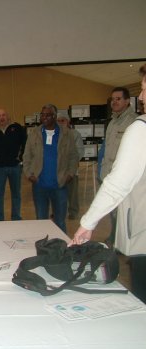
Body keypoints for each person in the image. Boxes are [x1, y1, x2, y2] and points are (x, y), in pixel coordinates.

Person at [72, 65, 146, 303]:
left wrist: (88, 222)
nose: (142, 97)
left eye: (145, 90)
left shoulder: (140, 129)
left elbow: (119, 181)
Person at [22, 104, 78, 233]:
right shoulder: (34, 133)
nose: (44, 117)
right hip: (39, 185)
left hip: (59, 185)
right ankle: (44, 247)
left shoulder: (66, 134)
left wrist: (69, 174)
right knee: (41, 220)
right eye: (42, 115)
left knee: (60, 221)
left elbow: (74, 156)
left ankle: (61, 248)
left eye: (48, 115)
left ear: (54, 116)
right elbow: (27, 156)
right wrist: (29, 174)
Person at [100, 87, 138, 245]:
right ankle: (116, 239)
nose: (114, 102)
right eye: (112, 99)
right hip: (110, 176)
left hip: (125, 179)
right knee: (113, 212)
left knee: (127, 215)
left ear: (127, 101)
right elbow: (107, 149)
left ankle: (129, 247)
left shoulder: (134, 122)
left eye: (118, 99)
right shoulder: (112, 122)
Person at [0, 108, 27, 221]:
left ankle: (16, 216)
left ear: (7, 116)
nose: (1, 118)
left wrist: (21, 157)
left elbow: (25, 143)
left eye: (3, 115)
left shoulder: (17, 128)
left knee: (16, 194)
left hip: (15, 166)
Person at [56, 112, 84, 220]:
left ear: (68, 122)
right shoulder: (54, 135)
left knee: (72, 194)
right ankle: (58, 211)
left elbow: (79, 151)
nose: (60, 123)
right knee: (57, 194)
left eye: (63, 120)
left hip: (71, 171)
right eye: (58, 121)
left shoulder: (75, 134)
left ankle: (73, 212)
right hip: (57, 171)